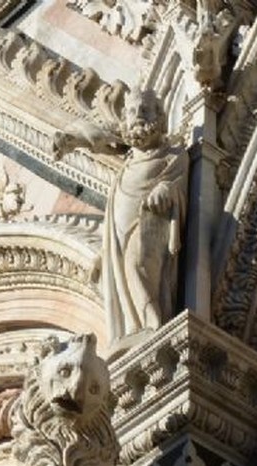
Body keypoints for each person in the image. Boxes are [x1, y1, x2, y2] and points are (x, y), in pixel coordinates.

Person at [53, 88, 189, 353]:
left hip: (149, 221)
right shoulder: (127, 160)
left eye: (145, 109)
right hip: (119, 229)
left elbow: (180, 183)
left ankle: (152, 323)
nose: (138, 114)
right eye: (132, 111)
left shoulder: (173, 154)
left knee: (138, 264)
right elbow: (97, 137)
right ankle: (135, 327)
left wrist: (168, 190)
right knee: (119, 277)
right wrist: (70, 140)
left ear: (160, 118)